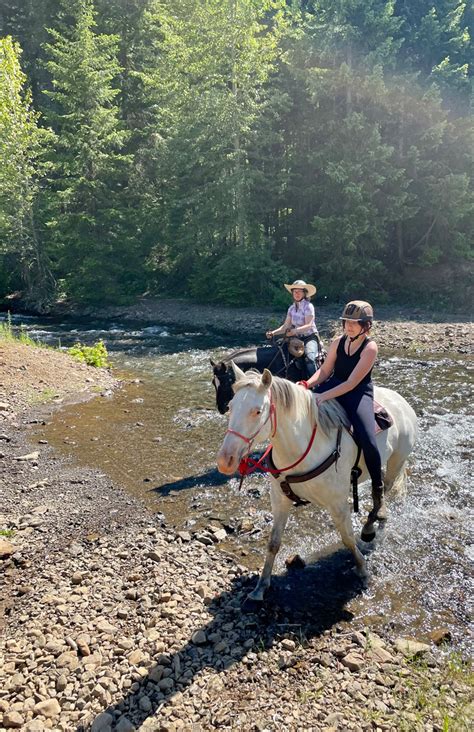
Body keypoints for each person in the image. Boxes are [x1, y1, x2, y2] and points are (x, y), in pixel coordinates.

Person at [301, 300, 383, 500]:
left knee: (367, 438)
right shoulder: (338, 341)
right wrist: (306, 385)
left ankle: (377, 488)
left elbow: (351, 383)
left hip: (358, 392)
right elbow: (325, 371)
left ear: (366, 325)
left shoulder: (370, 348)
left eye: (354, 323)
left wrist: (322, 396)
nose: (348, 326)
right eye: (346, 321)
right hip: (334, 383)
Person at [265, 279, 321, 378]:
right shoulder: (291, 308)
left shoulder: (308, 306)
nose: (297, 293)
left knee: (310, 358)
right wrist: (273, 333)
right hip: (296, 338)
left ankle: (316, 383)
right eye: (295, 291)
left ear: (304, 293)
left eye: (300, 291)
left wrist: (294, 331)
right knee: (281, 352)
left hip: (309, 337)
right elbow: (285, 326)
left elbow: (309, 325)